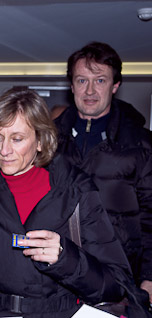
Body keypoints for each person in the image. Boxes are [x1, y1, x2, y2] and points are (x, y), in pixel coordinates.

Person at [0, 88, 134, 317]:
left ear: (40, 141)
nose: (4, 150)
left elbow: (115, 283)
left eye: (17, 139)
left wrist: (65, 258)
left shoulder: (78, 190)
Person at [54, 42, 152, 302]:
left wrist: (150, 277)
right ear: (71, 86)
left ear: (115, 85)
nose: (89, 90)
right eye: (82, 80)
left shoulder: (141, 145)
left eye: (99, 80)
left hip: (119, 274)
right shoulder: (46, 141)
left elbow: (151, 217)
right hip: (56, 272)